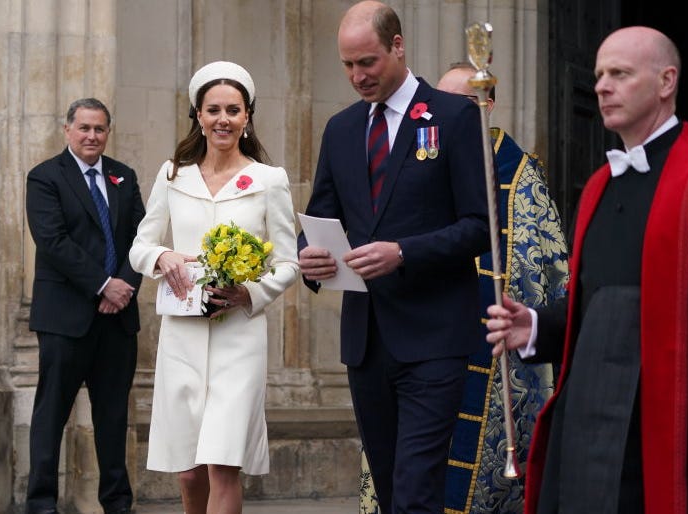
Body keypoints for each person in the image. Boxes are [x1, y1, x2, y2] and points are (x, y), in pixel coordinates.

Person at [486, 27, 688, 513]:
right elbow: (592, 301)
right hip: (588, 418)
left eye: (620, 74)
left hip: (665, 423)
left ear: (665, 81)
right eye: (598, 75)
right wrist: (536, 325)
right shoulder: (597, 185)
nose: (602, 87)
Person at [298, 2, 489, 513]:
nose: (357, 76)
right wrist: (310, 260)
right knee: (387, 490)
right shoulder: (340, 129)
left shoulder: (454, 116)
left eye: (368, 62)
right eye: (348, 65)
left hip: (434, 339)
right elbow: (322, 216)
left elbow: (479, 226)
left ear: (398, 46)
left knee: (415, 491)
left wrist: (404, 252)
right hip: (367, 342)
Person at [359, 63, 570, 513]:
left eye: (463, 102)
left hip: (490, 346)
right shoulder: (411, 155)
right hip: (420, 333)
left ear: (487, 105)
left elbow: (547, 265)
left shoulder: (520, 173)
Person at [129, 61, 299, 514]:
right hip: (182, 335)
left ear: (247, 117)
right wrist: (161, 257)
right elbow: (140, 246)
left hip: (238, 338)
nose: (223, 119)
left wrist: (251, 293)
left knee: (223, 462)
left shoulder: (269, 180)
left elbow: (288, 263)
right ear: (198, 117)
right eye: (213, 110)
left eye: (233, 109)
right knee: (187, 469)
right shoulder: (172, 175)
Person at [25, 98, 144, 514]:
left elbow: (140, 240)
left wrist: (125, 285)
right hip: (65, 319)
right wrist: (103, 285)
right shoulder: (45, 178)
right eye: (84, 128)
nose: (92, 136)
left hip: (118, 320)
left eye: (99, 129)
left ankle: (117, 503)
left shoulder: (123, 178)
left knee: (113, 419)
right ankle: (41, 504)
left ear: (108, 132)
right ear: (68, 130)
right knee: (50, 415)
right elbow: (54, 242)